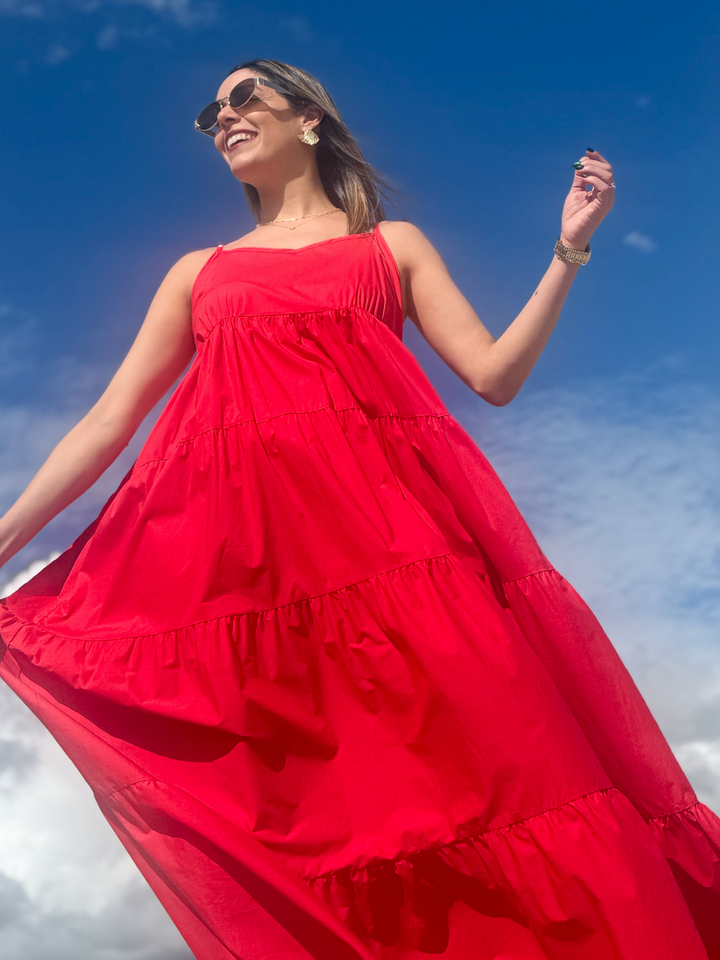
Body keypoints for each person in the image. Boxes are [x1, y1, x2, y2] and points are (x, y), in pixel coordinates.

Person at [0, 58, 718, 960]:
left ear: (308, 120)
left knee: (503, 778)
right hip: (264, 589)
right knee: (322, 821)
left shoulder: (393, 248)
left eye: (243, 97)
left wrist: (569, 248)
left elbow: (494, 377)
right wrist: (4, 539)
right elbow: (110, 421)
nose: (222, 117)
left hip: (406, 563)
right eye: (209, 110)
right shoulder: (201, 274)